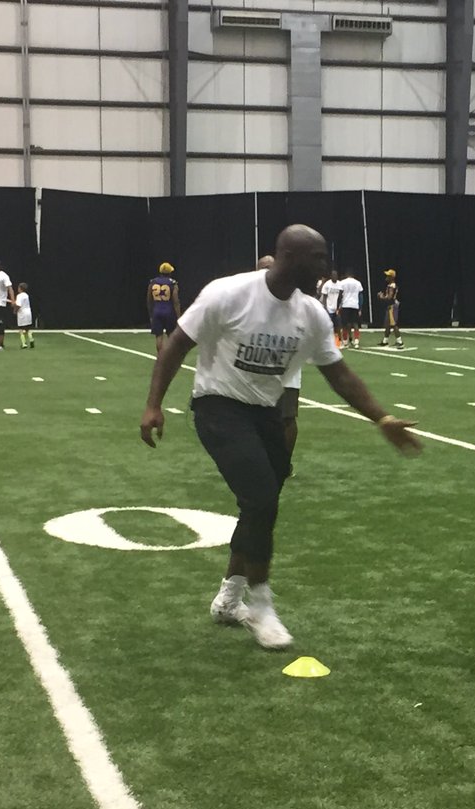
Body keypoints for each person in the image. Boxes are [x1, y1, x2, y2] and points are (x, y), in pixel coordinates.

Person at [139, 224, 422, 650]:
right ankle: (261, 606)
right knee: (260, 498)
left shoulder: (310, 313)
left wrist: (382, 419)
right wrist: (153, 404)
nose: (324, 268)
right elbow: (177, 346)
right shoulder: (228, 294)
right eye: (318, 259)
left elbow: (338, 374)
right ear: (290, 257)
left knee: (261, 506)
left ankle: (228, 598)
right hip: (219, 406)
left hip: (267, 414)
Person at [258, 254, 302, 470]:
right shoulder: (248, 299)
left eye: (268, 268)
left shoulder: (291, 298)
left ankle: (284, 463)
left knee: (287, 418)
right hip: (254, 374)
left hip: (286, 372)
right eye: (261, 269)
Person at [147, 262, 181, 352]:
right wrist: (179, 316)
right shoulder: (173, 283)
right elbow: (176, 301)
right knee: (171, 336)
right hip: (169, 312)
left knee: (159, 336)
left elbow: (149, 299)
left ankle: (160, 356)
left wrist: (151, 314)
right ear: (170, 272)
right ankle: (170, 356)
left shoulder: (153, 282)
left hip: (156, 311)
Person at [337, 267, 363, 349]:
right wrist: (360, 308)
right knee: (355, 324)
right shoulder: (358, 283)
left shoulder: (342, 282)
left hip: (345, 305)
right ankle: (356, 342)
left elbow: (340, 295)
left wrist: (338, 306)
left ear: (346, 275)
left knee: (345, 324)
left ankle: (345, 342)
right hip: (355, 305)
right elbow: (360, 296)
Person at [378, 268, 403, 348]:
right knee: (387, 324)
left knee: (393, 324)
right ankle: (385, 340)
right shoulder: (390, 285)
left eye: (388, 276)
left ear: (392, 277)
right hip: (390, 306)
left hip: (392, 306)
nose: (386, 277)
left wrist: (382, 297)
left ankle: (400, 341)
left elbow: (390, 297)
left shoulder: (392, 286)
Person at [319, 269, 342, 343]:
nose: (335, 276)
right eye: (333, 275)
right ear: (331, 276)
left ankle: (339, 340)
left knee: (338, 325)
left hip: (337, 308)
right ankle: (329, 341)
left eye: (336, 275)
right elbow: (324, 297)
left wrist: (339, 307)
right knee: (329, 326)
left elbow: (341, 296)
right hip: (329, 308)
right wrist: (325, 308)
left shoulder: (340, 284)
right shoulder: (327, 284)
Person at [15, 282, 34, 348]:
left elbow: (18, 305)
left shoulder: (19, 296)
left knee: (21, 329)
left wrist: (15, 310)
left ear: (20, 288)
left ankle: (24, 343)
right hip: (28, 312)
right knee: (28, 328)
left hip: (22, 313)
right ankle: (31, 339)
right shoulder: (26, 295)